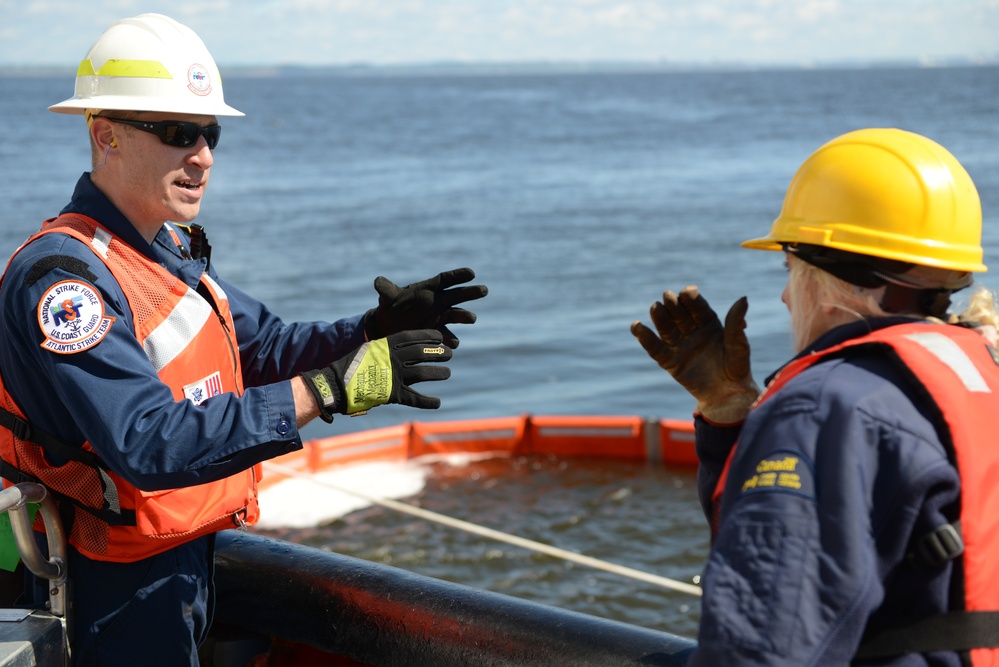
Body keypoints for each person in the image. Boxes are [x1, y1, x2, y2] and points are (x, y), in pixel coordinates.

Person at [0, 13, 487, 666]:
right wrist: (330, 389)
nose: (201, 155)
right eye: (176, 132)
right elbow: (147, 438)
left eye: (209, 133)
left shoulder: (166, 249)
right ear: (105, 134)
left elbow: (258, 350)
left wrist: (371, 329)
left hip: (184, 551)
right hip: (110, 579)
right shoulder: (63, 284)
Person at [632, 128, 999, 665]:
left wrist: (786, 427)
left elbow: (760, 647)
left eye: (790, 268)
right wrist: (735, 415)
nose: (784, 294)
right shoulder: (977, 371)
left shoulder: (825, 410)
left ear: (831, 277)